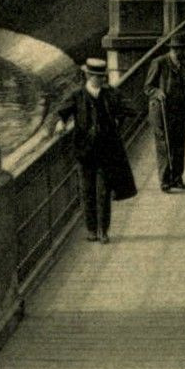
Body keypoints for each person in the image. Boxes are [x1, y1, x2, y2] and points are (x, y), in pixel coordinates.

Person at [56, 58, 138, 242]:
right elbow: (62, 112)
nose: (100, 80)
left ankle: (103, 230)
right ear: (88, 76)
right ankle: (91, 229)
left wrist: (118, 119)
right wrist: (61, 122)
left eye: (102, 77)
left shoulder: (111, 94)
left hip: (107, 152)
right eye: (97, 76)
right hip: (85, 153)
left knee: (103, 192)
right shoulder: (77, 95)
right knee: (87, 192)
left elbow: (131, 108)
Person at [143, 35, 185, 191]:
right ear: (175, 50)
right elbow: (147, 87)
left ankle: (177, 178)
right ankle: (165, 180)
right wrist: (157, 92)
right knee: (164, 145)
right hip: (162, 111)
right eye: (184, 49)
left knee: (179, 144)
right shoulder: (159, 62)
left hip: (179, 110)